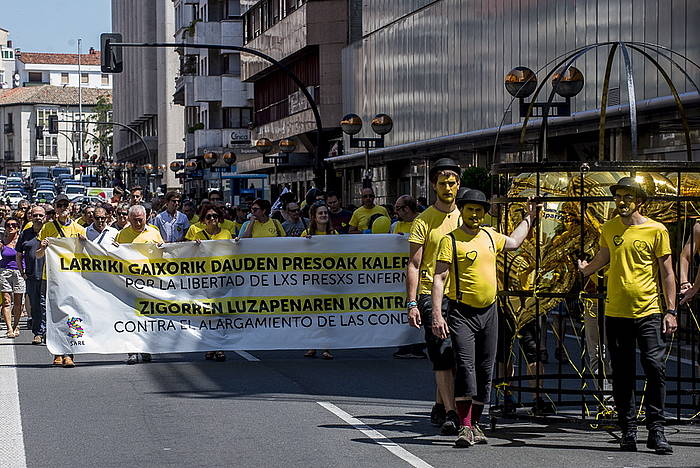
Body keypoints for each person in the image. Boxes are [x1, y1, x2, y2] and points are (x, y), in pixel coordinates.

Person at [577, 177, 676, 454]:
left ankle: (657, 430)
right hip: (616, 312)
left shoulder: (657, 231)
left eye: (627, 197)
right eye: (618, 197)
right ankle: (628, 430)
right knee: (622, 374)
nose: (621, 202)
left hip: (649, 312)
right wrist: (586, 269)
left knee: (655, 369)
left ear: (640, 201)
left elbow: (668, 273)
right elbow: (604, 256)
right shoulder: (609, 228)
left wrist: (671, 310)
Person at [432, 189, 538, 447]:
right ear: (463, 211)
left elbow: (514, 242)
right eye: (470, 209)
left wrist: (530, 217)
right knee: (466, 369)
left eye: (480, 210)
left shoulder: (490, 235)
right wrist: (437, 314)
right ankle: (465, 426)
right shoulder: (451, 240)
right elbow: (439, 278)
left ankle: (476, 423)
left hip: (490, 312)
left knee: (485, 370)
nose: (475, 214)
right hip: (462, 313)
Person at [406, 157, 462, 435]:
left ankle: (440, 404)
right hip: (431, 294)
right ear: (433, 186)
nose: (448, 188)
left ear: (458, 185)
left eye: (452, 183)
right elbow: (414, 264)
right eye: (442, 183)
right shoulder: (423, 220)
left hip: (463, 294)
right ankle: (451, 412)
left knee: (455, 354)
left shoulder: (469, 216)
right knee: (442, 352)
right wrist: (413, 302)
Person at [36, 194, 87, 368]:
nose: (63, 208)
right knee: (53, 315)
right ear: (55, 208)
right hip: (50, 277)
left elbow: (86, 255)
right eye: (60, 205)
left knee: (71, 314)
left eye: (66, 205)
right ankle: (57, 352)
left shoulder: (79, 229)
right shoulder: (48, 227)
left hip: (71, 278)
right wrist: (42, 248)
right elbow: (38, 255)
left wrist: (84, 243)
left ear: (71, 207)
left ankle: (69, 353)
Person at [115, 205, 164, 365]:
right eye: (134, 220)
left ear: (146, 218)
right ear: (129, 219)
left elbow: (165, 254)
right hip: (129, 283)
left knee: (147, 318)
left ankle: (146, 348)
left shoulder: (154, 233)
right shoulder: (122, 235)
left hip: (149, 283)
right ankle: (132, 350)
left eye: (140, 220)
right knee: (130, 317)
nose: (137, 223)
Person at [191, 204, 231, 362]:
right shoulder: (198, 235)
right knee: (207, 315)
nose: (212, 219)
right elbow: (188, 257)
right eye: (208, 216)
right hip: (204, 281)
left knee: (220, 315)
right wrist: (194, 246)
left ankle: (219, 348)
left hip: (222, 280)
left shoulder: (226, 233)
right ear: (203, 220)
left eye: (215, 216)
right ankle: (209, 347)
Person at [301, 201, 337, 360]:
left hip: (328, 280)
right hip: (311, 281)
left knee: (327, 314)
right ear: (314, 217)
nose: (323, 216)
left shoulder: (334, 234)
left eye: (325, 213)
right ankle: (311, 345)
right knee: (311, 313)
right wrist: (305, 243)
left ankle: (326, 347)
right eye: (320, 213)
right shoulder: (306, 234)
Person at [391, 195, 426, 359]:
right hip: (399, 275)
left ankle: (418, 344)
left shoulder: (422, 222)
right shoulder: (395, 226)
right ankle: (404, 343)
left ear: (406, 209)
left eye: (398, 208)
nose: (395, 211)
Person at [17, 206, 46, 345]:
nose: (38, 218)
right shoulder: (25, 234)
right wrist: (22, 272)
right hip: (31, 275)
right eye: (35, 215)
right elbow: (18, 254)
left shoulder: (50, 232)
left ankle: (46, 332)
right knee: (35, 305)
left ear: (45, 217)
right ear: (31, 217)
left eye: (41, 215)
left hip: (49, 276)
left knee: (46, 305)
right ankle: (38, 333)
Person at [0, 216, 25, 339]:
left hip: (20, 272)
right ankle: (9, 328)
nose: (11, 227)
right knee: (6, 301)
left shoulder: (22, 240)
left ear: (18, 227)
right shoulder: (2, 241)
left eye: (14, 225)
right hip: (4, 271)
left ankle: (16, 325)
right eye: (8, 225)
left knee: (18, 301)